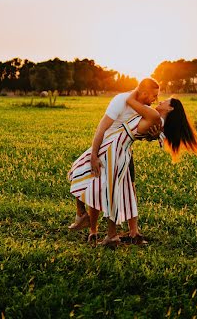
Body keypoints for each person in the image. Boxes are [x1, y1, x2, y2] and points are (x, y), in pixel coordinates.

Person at [67, 87, 197, 247]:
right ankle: (88, 219)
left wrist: (140, 88)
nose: (160, 99)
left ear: (170, 108)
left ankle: (109, 234)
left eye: (165, 100)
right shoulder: (158, 121)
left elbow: (130, 100)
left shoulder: (154, 116)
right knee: (84, 173)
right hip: (115, 147)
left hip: (116, 149)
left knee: (101, 185)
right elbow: (145, 131)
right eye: (156, 96)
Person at [68, 78, 160, 243]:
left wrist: (152, 136)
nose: (155, 100)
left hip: (123, 152)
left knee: (120, 189)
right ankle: (89, 224)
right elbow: (102, 127)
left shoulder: (144, 108)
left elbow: (139, 132)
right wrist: (94, 155)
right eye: (153, 95)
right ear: (144, 93)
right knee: (81, 173)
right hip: (106, 147)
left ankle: (123, 233)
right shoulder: (120, 101)